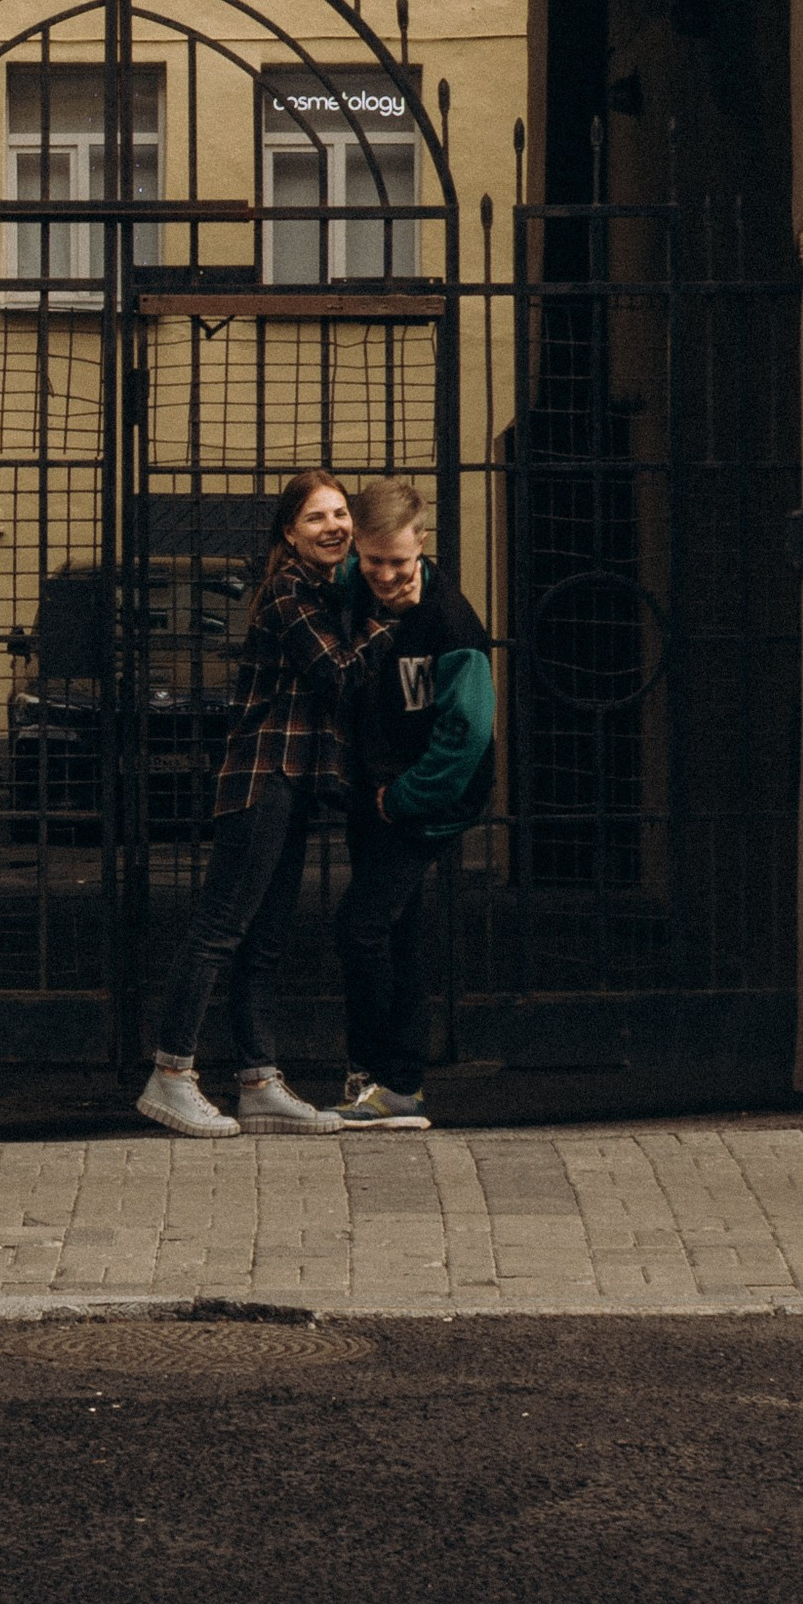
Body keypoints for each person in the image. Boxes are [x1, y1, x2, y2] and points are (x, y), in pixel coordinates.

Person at [136, 470, 390, 1137]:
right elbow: (340, 676)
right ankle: (171, 1074)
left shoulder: (329, 594)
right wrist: (390, 613)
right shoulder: (286, 593)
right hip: (263, 777)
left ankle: (259, 1083)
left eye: (342, 515)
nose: (335, 526)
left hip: (296, 780)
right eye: (317, 518)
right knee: (221, 928)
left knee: (266, 941)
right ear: (289, 533)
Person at [336, 475, 495, 1130]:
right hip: (376, 792)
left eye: (398, 562)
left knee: (361, 927)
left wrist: (401, 800)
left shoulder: (451, 622)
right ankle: (380, 1078)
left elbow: (469, 735)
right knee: (396, 934)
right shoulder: (350, 587)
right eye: (372, 562)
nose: (385, 575)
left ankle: (392, 1081)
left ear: (421, 545)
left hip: (427, 800)